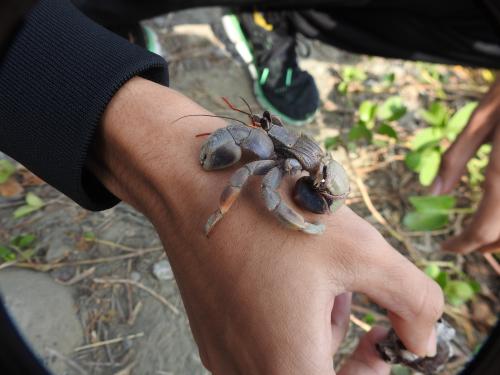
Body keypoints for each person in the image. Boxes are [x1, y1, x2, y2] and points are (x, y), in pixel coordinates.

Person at [0, 1, 496, 374]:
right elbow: (246, 147)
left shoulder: (282, 165)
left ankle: (100, 40)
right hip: (306, 171)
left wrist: (230, 218)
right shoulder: (267, 141)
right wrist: (167, 159)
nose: (254, 129)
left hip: (312, 184)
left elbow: (251, 175)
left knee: (249, 170)